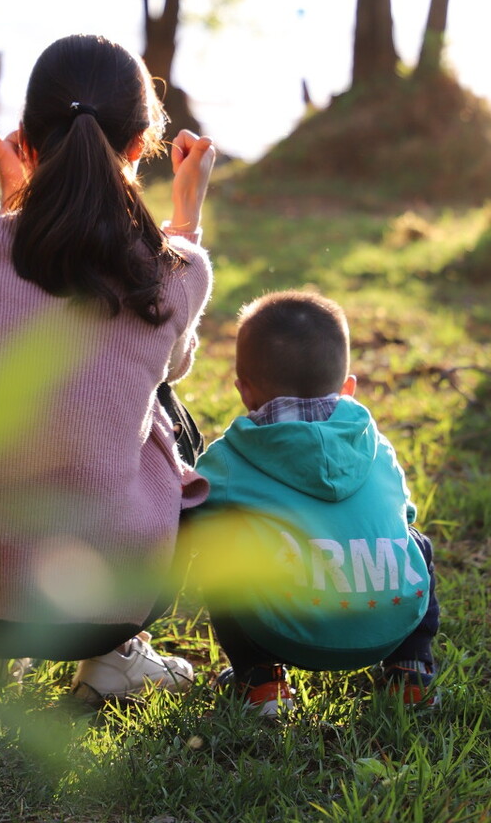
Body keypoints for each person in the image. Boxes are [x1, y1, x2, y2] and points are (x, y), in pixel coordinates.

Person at [0, 34, 215, 702]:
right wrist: (186, 220)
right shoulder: (172, 268)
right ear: (139, 148)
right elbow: (170, 364)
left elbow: (2, 307)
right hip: (105, 605)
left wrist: (12, 208)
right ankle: (117, 655)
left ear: (26, 142)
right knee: (170, 415)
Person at [191, 290, 440, 716]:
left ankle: (260, 683)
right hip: (392, 624)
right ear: (348, 387)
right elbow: (404, 517)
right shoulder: (377, 446)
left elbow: (195, 521)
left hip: (286, 633)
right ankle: (410, 673)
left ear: (245, 391)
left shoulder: (230, 458)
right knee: (415, 541)